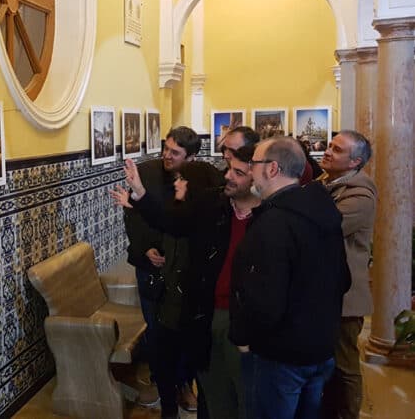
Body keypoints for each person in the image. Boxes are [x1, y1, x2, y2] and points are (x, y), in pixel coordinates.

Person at [112, 143, 259, 419]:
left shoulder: (265, 217)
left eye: (238, 171)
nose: (228, 175)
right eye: (229, 169)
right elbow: (168, 223)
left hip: (239, 319)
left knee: (241, 392)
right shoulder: (212, 209)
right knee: (211, 386)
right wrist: (139, 196)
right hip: (197, 309)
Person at [230, 137, 351, 419]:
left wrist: (242, 335)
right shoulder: (322, 208)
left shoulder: (274, 222)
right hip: (320, 348)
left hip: (280, 356)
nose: (250, 171)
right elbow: (343, 279)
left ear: (272, 169)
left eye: (254, 164)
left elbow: (264, 300)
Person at [119, 126, 222, 417]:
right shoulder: (147, 172)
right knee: (158, 332)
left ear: (190, 156)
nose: (166, 155)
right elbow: (134, 216)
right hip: (149, 268)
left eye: (174, 152)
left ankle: (184, 386)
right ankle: (163, 385)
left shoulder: (201, 180)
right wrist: (147, 249)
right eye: (165, 148)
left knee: (185, 337)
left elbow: (177, 223)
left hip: (183, 275)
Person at [317, 131, 377, 419]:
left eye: (337, 150)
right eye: (330, 145)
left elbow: (326, 228)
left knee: (345, 366)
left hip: (346, 296)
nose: (328, 151)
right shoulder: (325, 184)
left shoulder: (360, 193)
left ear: (354, 162)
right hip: (325, 291)